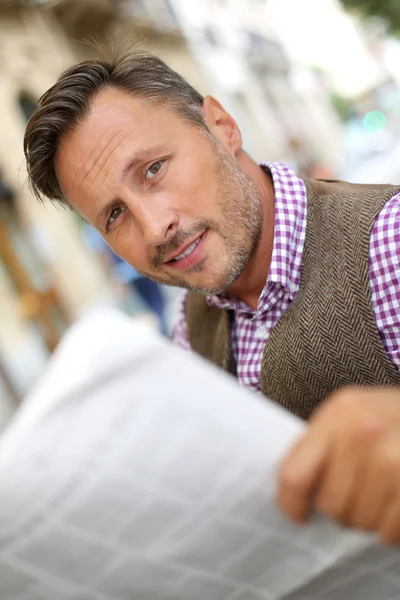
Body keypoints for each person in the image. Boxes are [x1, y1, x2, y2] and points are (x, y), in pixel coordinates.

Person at [23, 52, 400, 542]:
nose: (156, 228)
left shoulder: (387, 240)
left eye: (153, 169)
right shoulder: (191, 326)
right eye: (114, 215)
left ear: (221, 126)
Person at [83, 224, 168, 335]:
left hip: (128, 272)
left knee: (152, 304)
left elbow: (103, 258)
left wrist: (113, 278)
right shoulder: (96, 229)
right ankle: (163, 330)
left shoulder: (92, 230)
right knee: (155, 302)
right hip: (135, 269)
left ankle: (163, 331)